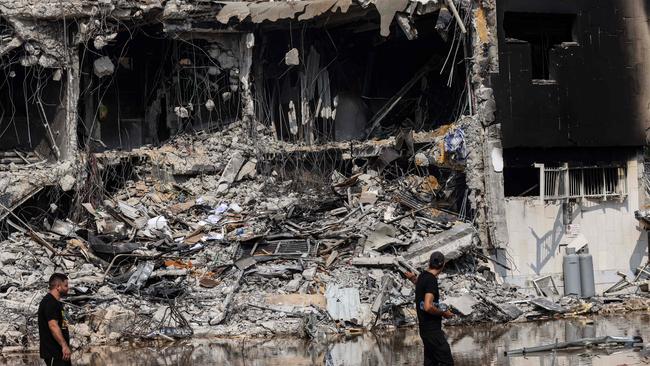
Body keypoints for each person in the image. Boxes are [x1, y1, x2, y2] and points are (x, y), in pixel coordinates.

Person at [409, 251, 455, 366]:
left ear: (429, 263)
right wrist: (444, 313)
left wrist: (413, 279)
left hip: (424, 330)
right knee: (447, 362)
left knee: (431, 363)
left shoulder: (423, 276)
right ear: (443, 265)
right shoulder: (431, 280)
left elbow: (420, 285)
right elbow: (428, 306)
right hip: (433, 331)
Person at [38, 273, 72, 366]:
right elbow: (53, 326)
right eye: (65, 285)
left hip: (60, 353)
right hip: (53, 352)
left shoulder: (56, 302)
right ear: (58, 286)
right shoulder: (50, 302)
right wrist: (64, 346)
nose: (68, 288)